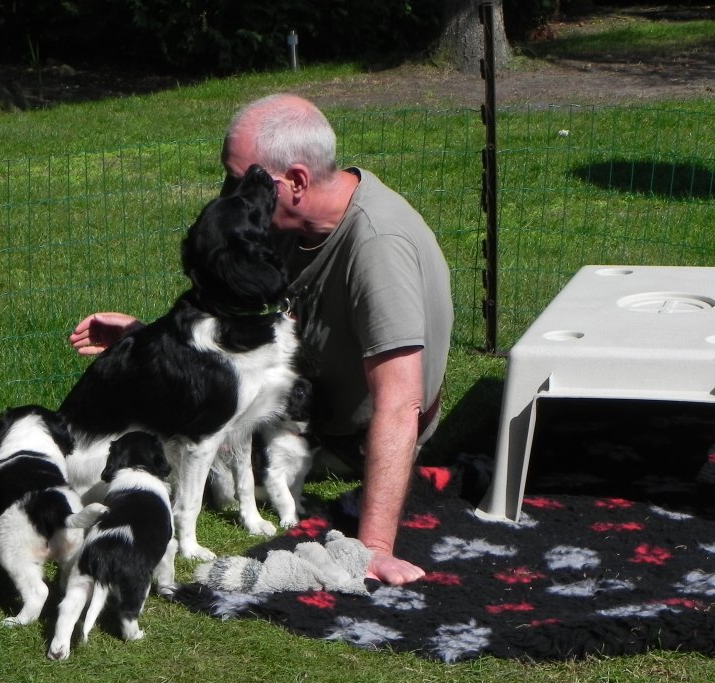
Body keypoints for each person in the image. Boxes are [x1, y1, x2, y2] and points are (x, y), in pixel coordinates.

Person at [71, 94, 453, 586]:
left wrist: (373, 547)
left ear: (296, 181)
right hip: (291, 406)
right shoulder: (289, 220)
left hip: (343, 440)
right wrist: (147, 342)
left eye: (239, 179)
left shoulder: (379, 248)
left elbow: (400, 405)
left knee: (172, 453)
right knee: (193, 430)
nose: (229, 194)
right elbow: (227, 352)